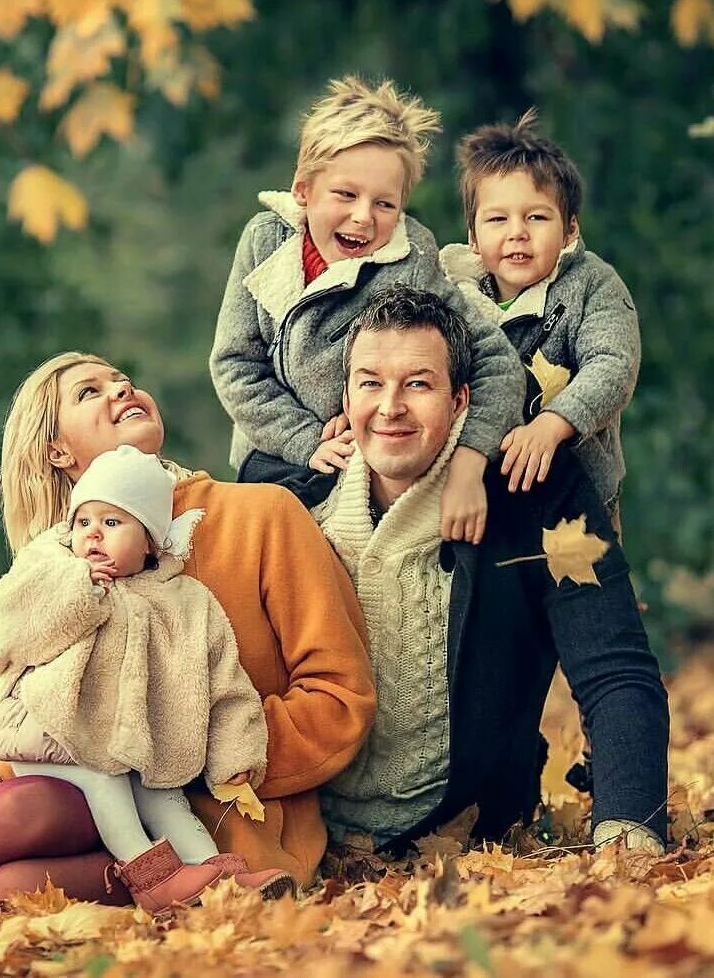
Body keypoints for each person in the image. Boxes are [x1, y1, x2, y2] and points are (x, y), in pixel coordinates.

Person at [0, 353, 376, 907]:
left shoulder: (261, 515)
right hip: (95, 807)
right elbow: (58, 703)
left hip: (218, 822)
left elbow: (339, 700)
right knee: (6, 816)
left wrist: (186, 742)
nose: (121, 387)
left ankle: (198, 882)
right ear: (57, 450)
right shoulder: (57, 565)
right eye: (89, 392)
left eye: (121, 379)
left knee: (14, 887)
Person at [288, 285, 669, 852]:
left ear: (461, 400)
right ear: (345, 398)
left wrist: (628, 831)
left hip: (471, 841)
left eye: (418, 383)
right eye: (370, 382)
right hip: (301, 842)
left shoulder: (534, 493)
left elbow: (616, 670)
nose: (390, 406)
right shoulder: (285, 495)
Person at [0, 445, 290, 915]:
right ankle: (153, 880)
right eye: (84, 522)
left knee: (166, 800)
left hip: (132, 747)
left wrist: (236, 754)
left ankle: (221, 877)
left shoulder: (185, 600)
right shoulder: (58, 572)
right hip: (53, 732)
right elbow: (17, 634)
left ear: (150, 540)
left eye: (112, 523)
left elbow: (223, 683)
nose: (93, 536)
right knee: (107, 787)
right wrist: (81, 587)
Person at [209, 75, 526, 545]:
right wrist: (306, 439)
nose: (363, 217)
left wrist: (470, 458)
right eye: (345, 195)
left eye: (385, 204)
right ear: (303, 191)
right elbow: (234, 363)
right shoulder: (264, 241)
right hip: (278, 450)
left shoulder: (411, 261)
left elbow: (497, 364)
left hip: (377, 459)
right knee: (252, 554)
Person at [441, 109, 639, 526]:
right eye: (498, 219)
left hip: (581, 501)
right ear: (473, 238)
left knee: (587, 585)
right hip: (487, 500)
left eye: (536, 217)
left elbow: (613, 364)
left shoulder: (591, 284)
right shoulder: (453, 296)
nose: (517, 232)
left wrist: (553, 424)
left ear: (569, 230)